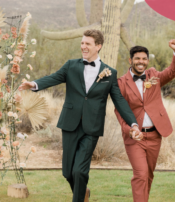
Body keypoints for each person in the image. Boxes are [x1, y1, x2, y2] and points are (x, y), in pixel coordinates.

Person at [18, 29, 139, 202]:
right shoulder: (71, 65)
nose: (83, 46)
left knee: (80, 170)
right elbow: (54, 78)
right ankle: (82, 192)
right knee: (67, 172)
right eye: (82, 43)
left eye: (87, 44)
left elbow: (119, 100)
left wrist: (133, 123)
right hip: (70, 123)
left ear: (98, 46)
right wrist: (34, 84)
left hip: (92, 127)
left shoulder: (109, 73)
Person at [114, 40, 175, 202]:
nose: (141, 62)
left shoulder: (154, 76)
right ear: (130, 61)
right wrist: (130, 130)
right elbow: (119, 111)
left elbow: (173, 71)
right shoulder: (121, 83)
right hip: (134, 137)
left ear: (147, 61)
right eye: (137, 59)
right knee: (140, 175)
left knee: (149, 175)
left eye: (144, 59)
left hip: (154, 135)